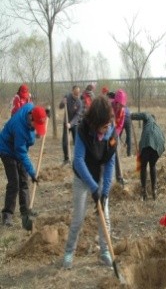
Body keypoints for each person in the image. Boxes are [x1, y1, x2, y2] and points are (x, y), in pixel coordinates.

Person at [62, 96, 117, 269]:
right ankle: (69, 252)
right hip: (82, 178)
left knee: (105, 218)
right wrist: (93, 188)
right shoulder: (83, 130)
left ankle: (105, 252)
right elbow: (78, 160)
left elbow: (110, 163)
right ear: (94, 122)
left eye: (107, 125)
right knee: (78, 218)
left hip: (99, 176)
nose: (105, 129)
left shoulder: (111, 134)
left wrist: (104, 191)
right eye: (102, 126)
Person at [0, 103, 47, 228]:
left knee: (24, 181)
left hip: (18, 148)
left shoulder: (31, 109)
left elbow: (36, 124)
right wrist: (33, 172)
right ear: (31, 118)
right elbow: (21, 152)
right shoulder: (20, 127)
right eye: (35, 125)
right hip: (7, 150)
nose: (36, 128)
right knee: (14, 183)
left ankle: (26, 212)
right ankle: (7, 215)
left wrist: (45, 116)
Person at [130, 112, 165, 201]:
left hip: (147, 142)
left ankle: (143, 191)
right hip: (158, 146)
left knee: (143, 166)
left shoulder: (149, 117)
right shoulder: (157, 127)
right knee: (152, 165)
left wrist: (131, 116)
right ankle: (154, 190)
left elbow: (144, 115)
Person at [58, 85, 82, 164]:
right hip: (66, 122)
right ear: (72, 92)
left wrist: (70, 124)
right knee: (65, 141)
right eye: (75, 94)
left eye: (77, 94)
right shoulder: (67, 97)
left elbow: (77, 115)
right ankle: (66, 159)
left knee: (76, 142)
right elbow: (60, 107)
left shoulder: (79, 102)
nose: (76, 96)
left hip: (74, 124)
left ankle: (77, 159)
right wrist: (62, 102)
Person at [113, 89, 127, 184]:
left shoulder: (123, 111)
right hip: (104, 133)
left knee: (116, 151)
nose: (121, 106)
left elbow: (120, 125)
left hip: (114, 135)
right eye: (120, 104)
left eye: (123, 105)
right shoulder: (108, 107)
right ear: (116, 102)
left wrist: (115, 135)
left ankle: (119, 177)